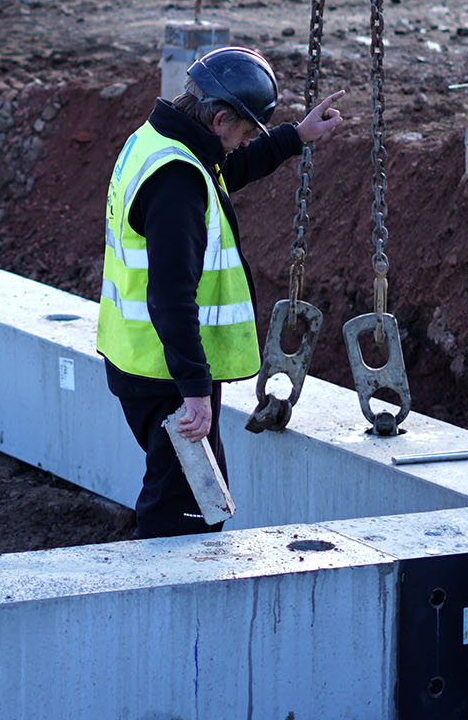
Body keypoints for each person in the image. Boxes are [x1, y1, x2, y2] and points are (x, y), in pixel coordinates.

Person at [96, 47, 346, 539]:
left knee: (188, 504)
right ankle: (165, 606)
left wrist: (294, 138)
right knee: (183, 521)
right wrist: (194, 391)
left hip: (145, 360)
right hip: (166, 371)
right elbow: (171, 296)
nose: (244, 143)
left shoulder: (160, 143)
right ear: (219, 118)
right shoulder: (176, 180)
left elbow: (223, 171)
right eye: (246, 132)